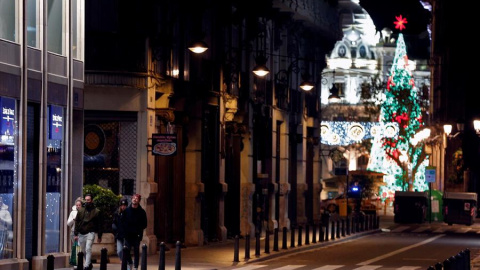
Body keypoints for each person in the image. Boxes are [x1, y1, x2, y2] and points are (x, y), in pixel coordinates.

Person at [74, 194, 103, 270]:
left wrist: (99, 236)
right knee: (82, 250)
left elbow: (100, 224)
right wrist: (76, 233)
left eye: (88, 200)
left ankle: (86, 265)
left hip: (91, 232)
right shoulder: (81, 210)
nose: (87, 202)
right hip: (81, 232)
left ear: (91, 200)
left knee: (88, 248)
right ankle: (89, 263)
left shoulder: (96, 211)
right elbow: (77, 221)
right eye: (86, 200)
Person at [124, 194, 147, 270]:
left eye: (136, 198)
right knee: (127, 250)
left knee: (136, 251)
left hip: (136, 235)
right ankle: (130, 262)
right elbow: (123, 221)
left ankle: (136, 266)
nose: (134, 199)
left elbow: (145, 224)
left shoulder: (142, 212)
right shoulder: (127, 211)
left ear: (139, 200)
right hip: (128, 234)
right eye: (133, 198)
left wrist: (139, 230)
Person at [112, 198, 128, 262]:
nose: (123, 207)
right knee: (119, 251)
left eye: (124, 205)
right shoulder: (117, 214)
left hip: (126, 235)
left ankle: (127, 265)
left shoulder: (128, 213)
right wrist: (115, 228)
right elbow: (114, 222)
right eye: (122, 205)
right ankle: (124, 261)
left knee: (126, 251)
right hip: (119, 235)